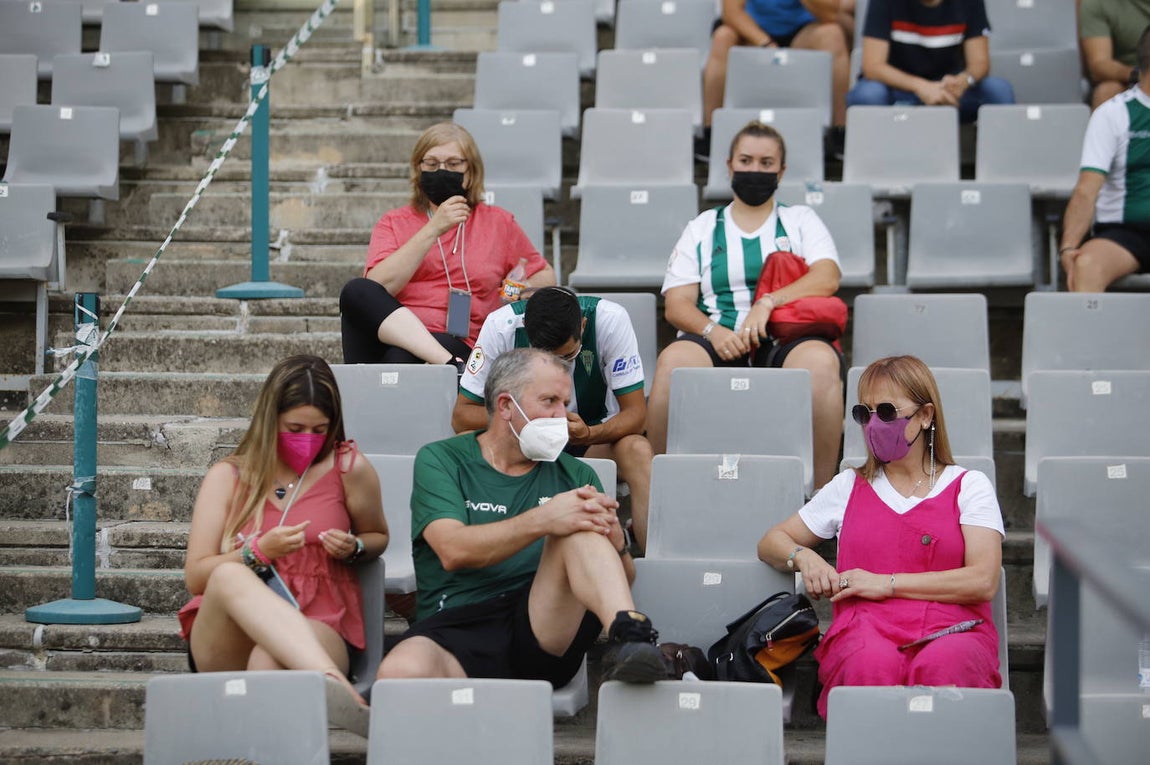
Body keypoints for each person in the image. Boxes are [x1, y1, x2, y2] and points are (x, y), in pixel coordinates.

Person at [376, 348, 666, 686]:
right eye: (549, 401)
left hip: (542, 628)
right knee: (398, 673)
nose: (563, 416)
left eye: (565, 403)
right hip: (455, 625)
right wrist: (545, 518)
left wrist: (617, 546)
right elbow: (452, 550)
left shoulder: (577, 475)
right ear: (505, 406)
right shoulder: (442, 460)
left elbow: (622, 578)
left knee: (580, 521)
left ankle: (633, 638)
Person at [758, 355, 1003, 718]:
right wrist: (804, 557)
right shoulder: (849, 486)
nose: (874, 424)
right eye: (864, 413)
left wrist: (886, 583)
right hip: (866, 628)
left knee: (945, 665)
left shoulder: (969, 486)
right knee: (868, 665)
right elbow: (771, 541)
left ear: (925, 415)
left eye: (887, 412)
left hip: (953, 628)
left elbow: (982, 580)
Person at [178, 355, 389, 733]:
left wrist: (354, 547)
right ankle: (332, 682)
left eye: (319, 429)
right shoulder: (228, 476)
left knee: (270, 662)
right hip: (227, 634)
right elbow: (196, 576)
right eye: (295, 427)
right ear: (269, 420)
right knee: (228, 574)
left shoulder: (349, 469)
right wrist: (258, 552)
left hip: (319, 620)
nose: (307, 439)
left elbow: (378, 537)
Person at [647, 120, 844, 491]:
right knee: (672, 363)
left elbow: (828, 276)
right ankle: (659, 492)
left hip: (785, 338)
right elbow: (677, 304)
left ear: (781, 171)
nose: (755, 170)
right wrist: (713, 331)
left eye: (767, 163)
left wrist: (768, 302)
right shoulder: (703, 227)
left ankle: (821, 497)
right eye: (746, 160)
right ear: (729, 164)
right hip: (717, 335)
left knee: (820, 363)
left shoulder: (800, 219)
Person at [452, 286, 655, 552]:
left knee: (638, 449)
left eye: (567, 357)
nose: (558, 368)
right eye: (545, 358)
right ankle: (479, 549)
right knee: (465, 443)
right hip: (522, 444)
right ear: (527, 331)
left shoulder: (610, 319)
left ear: (582, 326)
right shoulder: (501, 326)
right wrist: (523, 421)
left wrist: (590, 433)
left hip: (591, 438)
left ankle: (653, 559)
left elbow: (636, 416)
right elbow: (462, 416)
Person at [339, 122, 555, 367]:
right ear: (418, 170)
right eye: (431, 164)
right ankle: (453, 365)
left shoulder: (498, 222)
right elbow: (378, 288)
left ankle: (451, 362)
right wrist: (434, 228)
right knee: (355, 290)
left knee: (400, 359)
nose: (442, 171)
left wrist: (518, 287)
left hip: (458, 339)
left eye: (453, 164)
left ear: (470, 172)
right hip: (389, 337)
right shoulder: (394, 221)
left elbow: (545, 274)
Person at [698, 0, 850, 161]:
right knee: (723, 36)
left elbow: (830, 14)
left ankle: (840, 131)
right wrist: (765, 43)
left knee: (833, 35)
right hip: (752, 33)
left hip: (802, 33)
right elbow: (731, 13)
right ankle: (711, 132)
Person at [1061, 26, 1150, 292]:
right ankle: (1085, 334)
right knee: (1086, 265)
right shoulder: (1114, 114)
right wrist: (1069, 246)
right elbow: (1087, 189)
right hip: (1125, 233)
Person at [847, 0, 1014, 123]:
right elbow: (873, 66)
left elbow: (980, 63)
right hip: (898, 89)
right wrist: (921, 86)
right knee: (868, 95)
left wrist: (963, 81)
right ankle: (874, 163)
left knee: (998, 90)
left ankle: (999, 164)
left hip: (949, 90)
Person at [1080, 0, 1150, 109]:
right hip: (1131, 78)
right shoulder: (1099, 3)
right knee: (1107, 91)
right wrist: (1139, 74)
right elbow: (1099, 64)